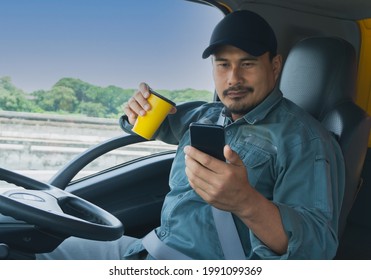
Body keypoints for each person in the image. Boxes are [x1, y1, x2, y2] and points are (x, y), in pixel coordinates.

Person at [37, 9, 345, 260]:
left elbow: (316, 249)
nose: (233, 78)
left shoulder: (306, 140)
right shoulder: (206, 114)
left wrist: (246, 202)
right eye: (223, 65)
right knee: (40, 247)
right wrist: (136, 111)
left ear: (274, 66)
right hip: (148, 249)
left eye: (247, 64)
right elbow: (156, 122)